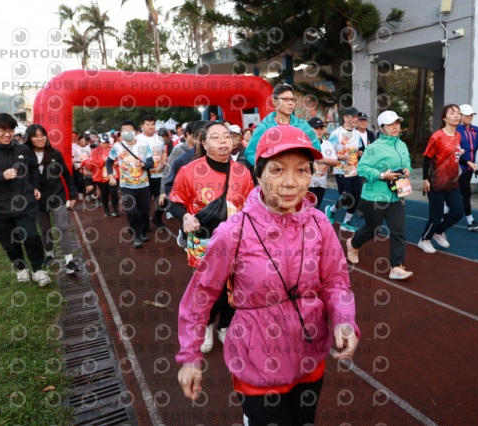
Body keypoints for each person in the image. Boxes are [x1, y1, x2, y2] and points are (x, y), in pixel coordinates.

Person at [176, 125, 359, 424]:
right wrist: (189, 356)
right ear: (258, 175)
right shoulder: (233, 232)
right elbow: (201, 295)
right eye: (277, 170)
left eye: (302, 170)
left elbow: (335, 283)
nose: (291, 182)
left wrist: (344, 321)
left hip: (309, 354)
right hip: (257, 360)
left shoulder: (320, 224)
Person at [169, 122, 254, 353]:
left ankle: (224, 326)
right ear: (204, 143)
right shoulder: (189, 171)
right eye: (215, 137)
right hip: (204, 242)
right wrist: (185, 217)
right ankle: (206, 325)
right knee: (208, 289)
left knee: (234, 287)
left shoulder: (243, 172)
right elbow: (174, 202)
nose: (223, 141)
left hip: (237, 242)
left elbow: (251, 206)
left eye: (227, 136)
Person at [0, 113, 51, 286]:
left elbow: (34, 169)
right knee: (10, 243)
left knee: (31, 236)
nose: (7, 135)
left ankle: (38, 270)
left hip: (24, 202)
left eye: (10, 131)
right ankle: (21, 268)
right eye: (2, 131)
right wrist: (0, 176)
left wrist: (35, 186)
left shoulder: (22, 149)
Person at [346, 111, 413, 279]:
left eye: (397, 123)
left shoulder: (402, 145)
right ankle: (353, 244)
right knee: (372, 230)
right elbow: (362, 169)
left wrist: (407, 169)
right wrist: (382, 175)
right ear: (382, 128)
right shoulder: (374, 147)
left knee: (398, 231)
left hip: (396, 196)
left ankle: (396, 267)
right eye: (391, 124)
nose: (395, 127)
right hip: (374, 197)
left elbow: (407, 162)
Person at [418, 105, 477, 254]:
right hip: (436, 183)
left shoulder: (457, 136)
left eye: (458, 113)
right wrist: (425, 179)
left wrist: (467, 162)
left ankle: (438, 232)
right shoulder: (437, 136)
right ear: (444, 118)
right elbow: (427, 158)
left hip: (452, 182)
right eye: (452, 113)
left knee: (457, 212)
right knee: (436, 216)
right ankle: (424, 239)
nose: (456, 115)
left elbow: (453, 155)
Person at [24, 124, 80, 274]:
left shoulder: (55, 153)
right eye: (35, 136)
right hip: (37, 199)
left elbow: (66, 175)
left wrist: (72, 195)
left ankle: (69, 261)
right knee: (45, 229)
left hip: (57, 196)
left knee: (63, 226)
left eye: (42, 135)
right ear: (29, 138)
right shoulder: (25, 156)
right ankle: (49, 254)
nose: (40, 138)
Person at [245, 84, 321, 165]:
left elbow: (317, 147)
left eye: (292, 100)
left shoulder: (303, 125)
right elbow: (250, 152)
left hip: (298, 170)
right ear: (275, 101)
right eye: (285, 99)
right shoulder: (264, 127)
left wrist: (308, 161)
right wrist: (264, 166)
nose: (290, 103)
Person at [106, 120, 154, 248]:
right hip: (126, 185)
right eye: (124, 130)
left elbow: (151, 163)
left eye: (129, 130)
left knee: (144, 211)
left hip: (143, 185)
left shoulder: (143, 145)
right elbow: (109, 162)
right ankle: (137, 235)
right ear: (121, 132)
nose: (127, 132)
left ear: (135, 131)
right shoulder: (117, 147)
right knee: (132, 212)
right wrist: (111, 176)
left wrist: (142, 164)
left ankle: (142, 230)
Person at [324, 107, 363, 232]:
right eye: (353, 116)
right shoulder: (336, 133)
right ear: (345, 118)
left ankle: (346, 222)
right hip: (341, 170)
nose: (355, 119)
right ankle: (331, 210)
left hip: (354, 170)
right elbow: (328, 152)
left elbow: (360, 150)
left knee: (356, 196)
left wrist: (362, 153)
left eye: (357, 117)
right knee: (347, 197)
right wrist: (341, 157)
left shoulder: (357, 134)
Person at [457, 104, 478, 231]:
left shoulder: (476, 130)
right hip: (459, 166)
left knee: (459, 192)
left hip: (471, 167)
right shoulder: (456, 130)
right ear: (460, 116)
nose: (470, 117)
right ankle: (470, 221)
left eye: (471, 115)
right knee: (466, 192)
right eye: (467, 115)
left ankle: (445, 210)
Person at [136, 115, 168, 229]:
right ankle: (143, 224)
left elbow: (164, 151)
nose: (150, 127)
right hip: (143, 175)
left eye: (152, 124)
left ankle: (157, 218)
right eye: (148, 124)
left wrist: (164, 160)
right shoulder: (137, 139)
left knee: (163, 198)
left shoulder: (159, 138)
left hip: (159, 174)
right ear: (142, 126)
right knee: (144, 202)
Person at [82, 135, 120, 217]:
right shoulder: (95, 151)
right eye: (104, 142)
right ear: (99, 142)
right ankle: (106, 209)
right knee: (104, 194)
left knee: (114, 192)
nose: (106, 144)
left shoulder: (113, 149)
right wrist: (103, 160)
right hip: (101, 177)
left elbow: (118, 160)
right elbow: (93, 163)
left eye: (107, 142)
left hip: (113, 175)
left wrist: (115, 162)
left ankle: (115, 210)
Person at [307, 117, 338, 208]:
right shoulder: (305, 144)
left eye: (321, 128)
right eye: (316, 128)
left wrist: (323, 160)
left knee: (316, 208)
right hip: (307, 183)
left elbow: (335, 162)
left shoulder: (327, 144)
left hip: (321, 183)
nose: (319, 131)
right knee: (309, 208)